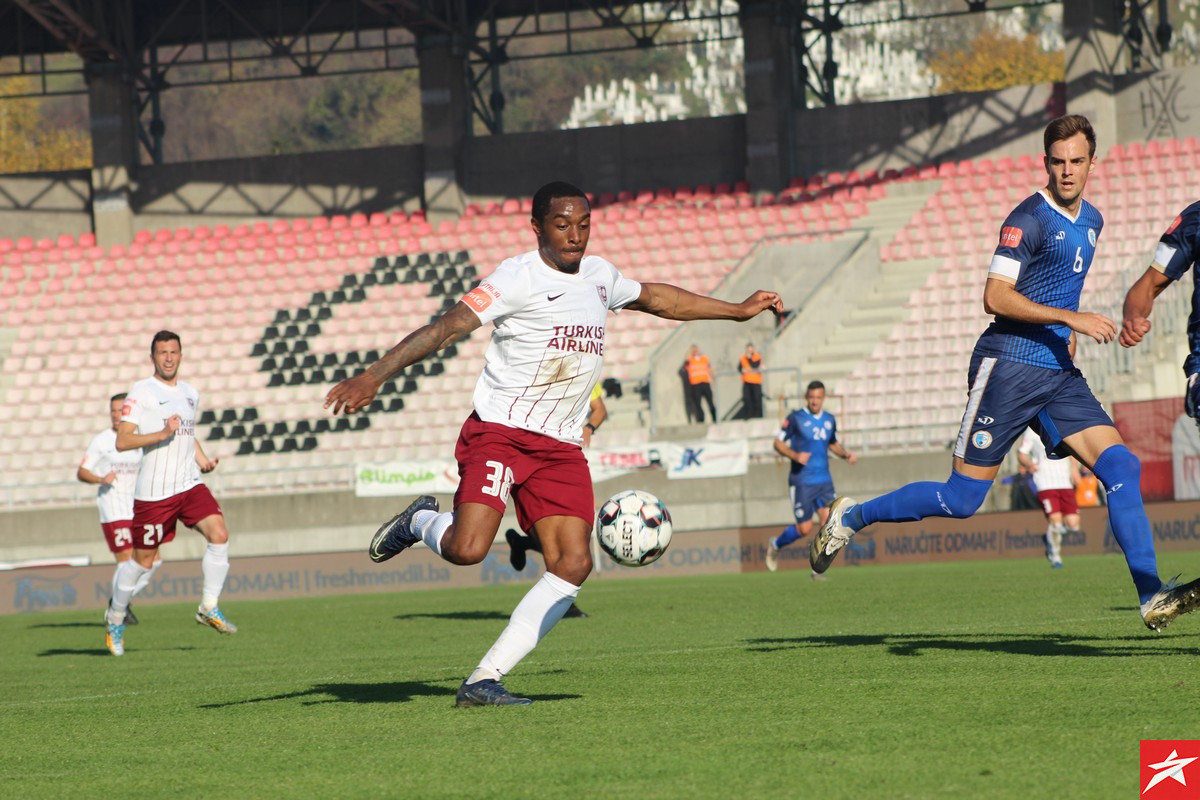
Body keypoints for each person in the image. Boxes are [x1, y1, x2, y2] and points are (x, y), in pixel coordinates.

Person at [325, 181, 783, 706]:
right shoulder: (515, 277)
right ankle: (420, 522)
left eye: (584, 224)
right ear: (537, 227)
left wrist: (738, 310)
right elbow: (447, 327)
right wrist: (375, 375)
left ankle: (482, 681)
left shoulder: (600, 277)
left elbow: (661, 299)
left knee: (572, 563)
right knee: (467, 549)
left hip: (561, 447)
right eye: (563, 224)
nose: (575, 235)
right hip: (501, 434)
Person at [810, 115, 1200, 632]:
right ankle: (850, 518)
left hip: (1058, 372)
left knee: (1121, 467)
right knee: (962, 499)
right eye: (1058, 162)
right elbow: (994, 296)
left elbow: (1058, 286)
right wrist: (1069, 318)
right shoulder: (1028, 219)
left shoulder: (1094, 220)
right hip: (1009, 366)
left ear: (1092, 163)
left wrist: (1075, 329)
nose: (1067, 171)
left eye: (1077, 161)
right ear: (1045, 163)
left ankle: (1151, 596)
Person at [104, 331, 237, 657]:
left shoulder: (190, 393)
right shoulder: (142, 391)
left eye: (173, 351)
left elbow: (187, 435)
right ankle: (115, 617)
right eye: (162, 352)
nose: (168, 357)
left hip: (188, 485)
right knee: (141, 562)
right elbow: (123, 440)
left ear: (180, 355)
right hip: (154, 494)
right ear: (153, 357)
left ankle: (208, 606)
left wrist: (202, 460)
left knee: (219, 534)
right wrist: (162, 432)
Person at [506, 382, 609, 618]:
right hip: (534, 456)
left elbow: (600, 409)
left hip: (566, 459)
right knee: (552, 535)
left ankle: (523, 544)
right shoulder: (541, 369)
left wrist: (589, 428)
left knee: (576, 538)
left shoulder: (586, 368)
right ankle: (564, 604)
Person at [765, 381, 856, 577]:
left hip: (824, 481)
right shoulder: (796, 418)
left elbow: (832, 443)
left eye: (818, 398)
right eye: (811, 397)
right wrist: (795, 456)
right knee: (804, 528)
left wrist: (845, 455)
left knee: (828, 523)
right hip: (802, 482)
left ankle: (817, 569)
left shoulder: (829, 420)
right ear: (807, 398)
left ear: (823, 398)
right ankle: (775, 544)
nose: (814, 401)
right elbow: (777, 443)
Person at [77, 392, 153, 625]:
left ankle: (118, 602)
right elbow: (82, 472)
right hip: (113, 509)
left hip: (137, 508)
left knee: (154, 561)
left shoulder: (138, 438)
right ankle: (118, 609)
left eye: (121, 410)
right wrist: (101, 479)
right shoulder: (101, 441)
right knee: (126, 560)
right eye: (113, 411)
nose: (116, 415)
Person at [1017, 427, 1082, 568]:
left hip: (1065, 481)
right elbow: (1021, 454)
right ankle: (1055, 557)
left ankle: (1049, 538)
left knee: (1074, 526)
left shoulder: (1059, 423)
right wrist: (1030, 465)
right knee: (1055, 522)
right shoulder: (1031, 431)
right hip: (1045, 482)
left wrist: (1075, 469)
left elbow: (1071, 450)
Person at [683, 344, 717, 423]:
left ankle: (715, 418)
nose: (695, 351)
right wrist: (691, 352)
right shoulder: (690, 360)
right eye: (694, 350)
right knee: (697, 404)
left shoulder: (704, 358)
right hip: (695, 385)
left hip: (705, 383)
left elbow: (710, 369)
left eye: (696, 349)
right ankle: (701, 420)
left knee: (710, 402)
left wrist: (714, 379)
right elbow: (686, 361)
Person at [739, 343, 764, 419]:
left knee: (757, 399)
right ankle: (749, 415)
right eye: (748, 349)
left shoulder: (757, 356)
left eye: (751, 349)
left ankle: (758, 415)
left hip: (756, 381)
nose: (749, 351)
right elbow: (739, 367)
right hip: (747, 381)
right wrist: (741, 370)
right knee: (746, 398)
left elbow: (755, 365)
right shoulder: (743, 357)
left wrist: (749, 358)